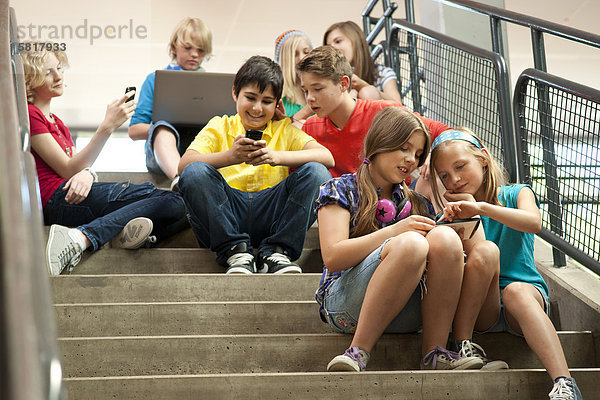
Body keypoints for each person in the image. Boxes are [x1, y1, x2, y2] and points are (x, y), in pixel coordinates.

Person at [316, 106, 483, 372]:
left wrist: (464, 217)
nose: (411, 161)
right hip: (346, 308)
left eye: (417, 154)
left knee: (445, 239)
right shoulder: (341, 188)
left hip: (405, 311)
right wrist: (395, 231)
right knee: (411, 243)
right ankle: (357, 352)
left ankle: (434, 353)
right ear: (380, 142)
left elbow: (475, 256)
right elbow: (333, 258)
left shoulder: (417, 202)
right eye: (404, 148)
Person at [429, 128, 583, 400]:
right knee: (486, 251)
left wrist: (481, 208)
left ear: (483, 159)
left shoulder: (516, 193)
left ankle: (565, 383)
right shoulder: (454, 211)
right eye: (444, 176)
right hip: (482, 306)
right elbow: (474, 261)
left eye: (460, 166)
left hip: (523, 298)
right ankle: (463, 343)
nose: (454, 179)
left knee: (515, 291)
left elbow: (533, 223)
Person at [23, 43, 188, 276]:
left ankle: (114, 234)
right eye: (48, 72)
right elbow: (68, 167)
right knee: (172, 199)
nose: (59, 76)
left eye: (59, 68)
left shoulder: (58, 123)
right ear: (31, 78)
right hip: (57, 198)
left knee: (186, 207)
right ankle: (81, 237)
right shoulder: (30, 114)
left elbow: (77, 166)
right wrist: (107, 126)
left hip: (68, 194)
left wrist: (88, 173)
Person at [177, 55, 334, 274]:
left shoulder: (285, 130)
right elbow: (185, 165)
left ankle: (278, 251)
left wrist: (277, 157)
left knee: (318, 172)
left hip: (271, 213)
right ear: (235, 93)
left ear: (277, 103)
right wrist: (231, 157)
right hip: (227, 213)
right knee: (195, 172)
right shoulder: (219, 124)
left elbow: (327, 158)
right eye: (250, 98)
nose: (258, 108)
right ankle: (234, 250)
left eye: (267, 101)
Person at [297, 45, 449, 178]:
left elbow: (444, 131)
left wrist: (434, 155)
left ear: (343, 84)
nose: (310, 98)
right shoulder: (310, 128)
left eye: (317, 89)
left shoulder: (383, 112)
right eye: (306, 91)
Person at [128, 17, 213, 188]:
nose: (195, 54)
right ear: (174, 46)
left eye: (201, 50)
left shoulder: (213, 86)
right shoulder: (155, 80)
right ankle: (180, 181)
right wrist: (164, 128)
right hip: (162, 155)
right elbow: (134, 130)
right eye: (188, 48)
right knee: (163, 127)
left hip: (199, 152)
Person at [324, 21, 401, 102]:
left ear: (356, 40)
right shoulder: (329, 78)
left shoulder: (382, 73)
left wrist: (362, 85)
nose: (333, 48)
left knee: (367, 92)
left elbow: (400, 108)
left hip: (382, 113)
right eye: (329, 46)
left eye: (338, 41)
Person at [274, 29, 313, 127]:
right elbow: (279, 132)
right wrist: (308, 109)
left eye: (306, 52)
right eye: (295, 55)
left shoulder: (324, 90)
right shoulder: (278, 97)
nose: (302, 58)